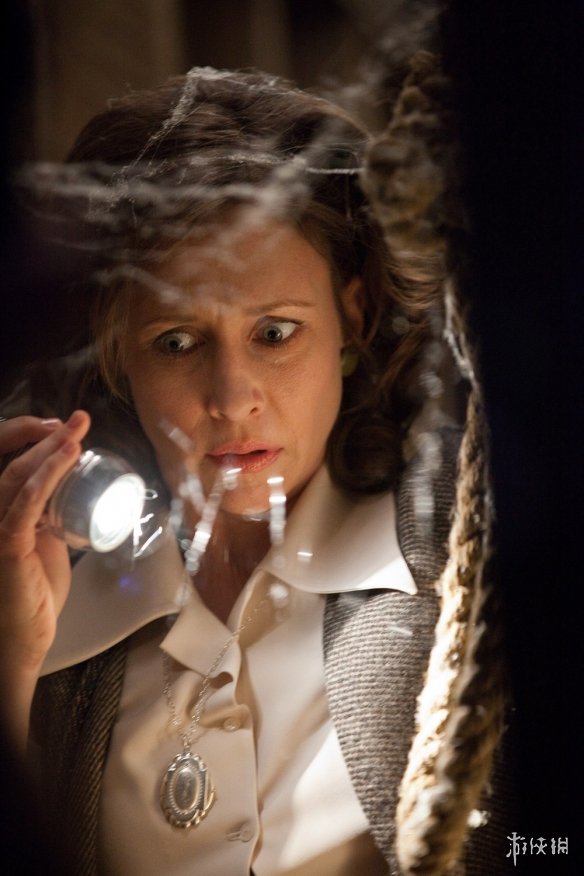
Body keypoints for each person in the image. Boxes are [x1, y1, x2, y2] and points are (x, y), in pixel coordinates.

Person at [0, 68, 507, 876]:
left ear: (353, 315)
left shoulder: (472, 575)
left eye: (275, 333)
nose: (233, 398)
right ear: (116, 352)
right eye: (177, 341)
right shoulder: (51, 617)